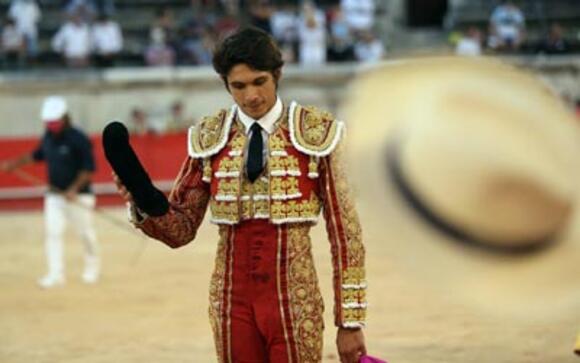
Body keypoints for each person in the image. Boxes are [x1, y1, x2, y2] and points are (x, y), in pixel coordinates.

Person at [113, 27, 367, 363]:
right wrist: (143, 198)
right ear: (225, 85)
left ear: (277, 75)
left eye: (259, 81)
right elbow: (181, 229)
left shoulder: (317, 134)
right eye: (239, 86)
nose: (251, 96)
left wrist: (350, 321)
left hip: (294, 300)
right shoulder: (209, 137)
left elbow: (345, 234)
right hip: (231, 303)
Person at [0, 96, 100, 288]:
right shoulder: (48, 135)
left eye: (53, 122)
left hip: (79, 196)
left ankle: (92, 269)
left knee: (85, 233)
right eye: (48, 122)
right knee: (53, 234)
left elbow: (88, 169)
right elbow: (37, 155)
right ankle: (56, 275)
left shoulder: (79, 138)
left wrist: (73, 189)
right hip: (54, 196)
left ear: (64, 118)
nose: (51, 125)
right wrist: (14, 164)